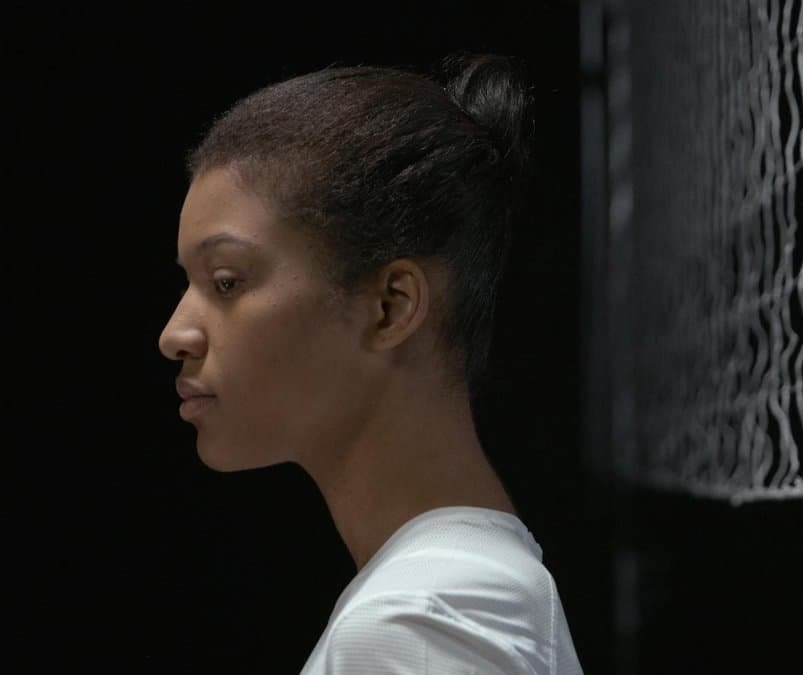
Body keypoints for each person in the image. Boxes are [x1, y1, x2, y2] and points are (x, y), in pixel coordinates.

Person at [158, 53, 584, 674]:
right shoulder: (453, 594)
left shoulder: (421, 620)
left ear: (390, 307)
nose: (175, 334)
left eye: (225, 282)